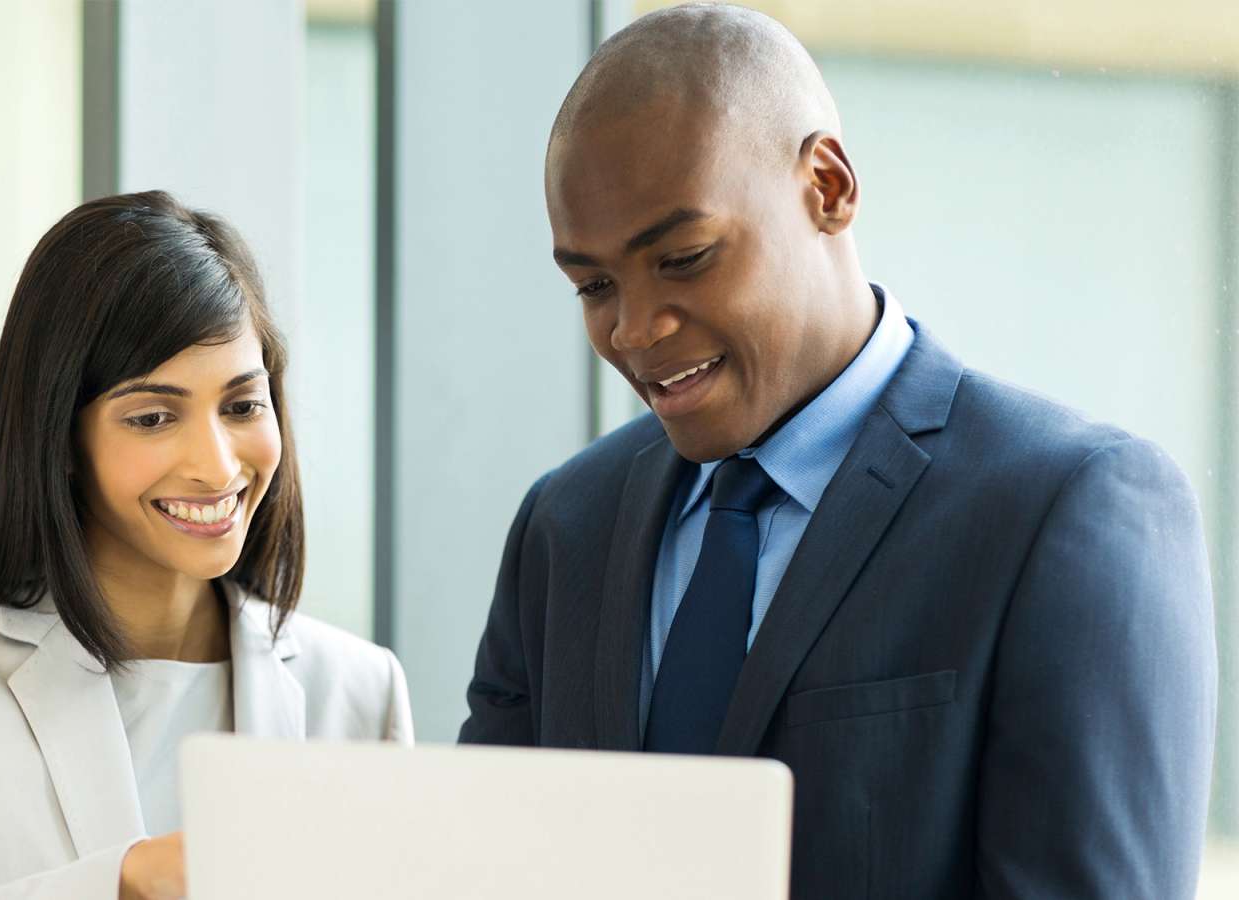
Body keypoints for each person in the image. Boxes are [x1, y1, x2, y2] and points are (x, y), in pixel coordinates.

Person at [458, 4, 1217, 898]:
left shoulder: (1069, 509)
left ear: (828, 185)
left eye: (685, 257)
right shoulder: (566, 525)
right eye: (592, 284)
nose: (633, 329)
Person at [0, 191, 413, 899]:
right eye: (152, 417)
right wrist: (121, 882)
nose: (216, 465)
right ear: (61, 438)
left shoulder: (358, 692)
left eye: (242, 406)